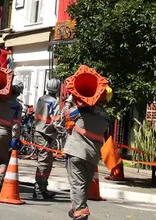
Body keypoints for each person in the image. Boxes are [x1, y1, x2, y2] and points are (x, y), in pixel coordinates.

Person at [62, 86, 113, 220]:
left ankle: (80, 211)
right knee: (83, 184)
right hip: (92, 155)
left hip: (76, 151)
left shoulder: (80, 111)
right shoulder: (107, 118)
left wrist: (70, 100)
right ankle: (76, 207)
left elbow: (64, 115)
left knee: (77, 183)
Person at [33, 78, 62, 199]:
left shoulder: (41, 99)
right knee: (44, 163)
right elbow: (56, 120)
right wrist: (62, 131)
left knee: (48, 163)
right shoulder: (54, 102)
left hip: (39, 132)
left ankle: (43, 188)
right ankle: (39, 189)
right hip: (46, 134)